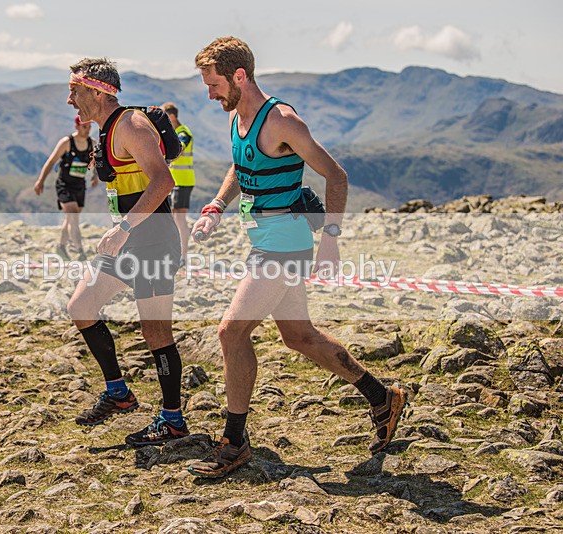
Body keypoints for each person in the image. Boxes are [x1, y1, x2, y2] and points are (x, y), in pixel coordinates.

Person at [187, 36, 408, 478]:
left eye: (213, 85)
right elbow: (240, 165)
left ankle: (234, 442)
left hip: (285, 246)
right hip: (263, 241)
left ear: (239, 76)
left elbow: (336, 174)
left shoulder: (282, 120)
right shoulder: (239, 117)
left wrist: (331, 237)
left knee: (231, 333)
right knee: (299, 337)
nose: (209, 94)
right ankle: (383, 398)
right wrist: (215, 206)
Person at [65, 58, 189, 446]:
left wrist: (123, 226)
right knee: (81, 307)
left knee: (155, 331)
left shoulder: (130, 125)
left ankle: (172, 419)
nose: (70, 99)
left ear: (98, 92)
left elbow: (164, 181)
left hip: (151, 240)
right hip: (129, 240)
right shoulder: (107, 130)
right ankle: (118, 393)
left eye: (75, 90)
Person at [34, 116, 98, 261]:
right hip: (65, 185)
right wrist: (41, 181)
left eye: (89, 127)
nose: (87, 130)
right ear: (76, 126)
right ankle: (80, 250)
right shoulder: (66, 143)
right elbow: (51, 162)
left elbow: (95, 162)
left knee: (71, 219)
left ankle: (60, 247)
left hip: (80, 185)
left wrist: (95, 176)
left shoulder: (92, 144)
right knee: (73, 217)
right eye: (84, 127)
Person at [161, 102, 195, 264]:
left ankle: (183, 256)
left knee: (179, 218)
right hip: (176, 182)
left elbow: (177, 150)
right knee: (175, 218)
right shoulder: (176, 132)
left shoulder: (183, 133)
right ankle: (178, 253)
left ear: (172, 116)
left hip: (183, 181)